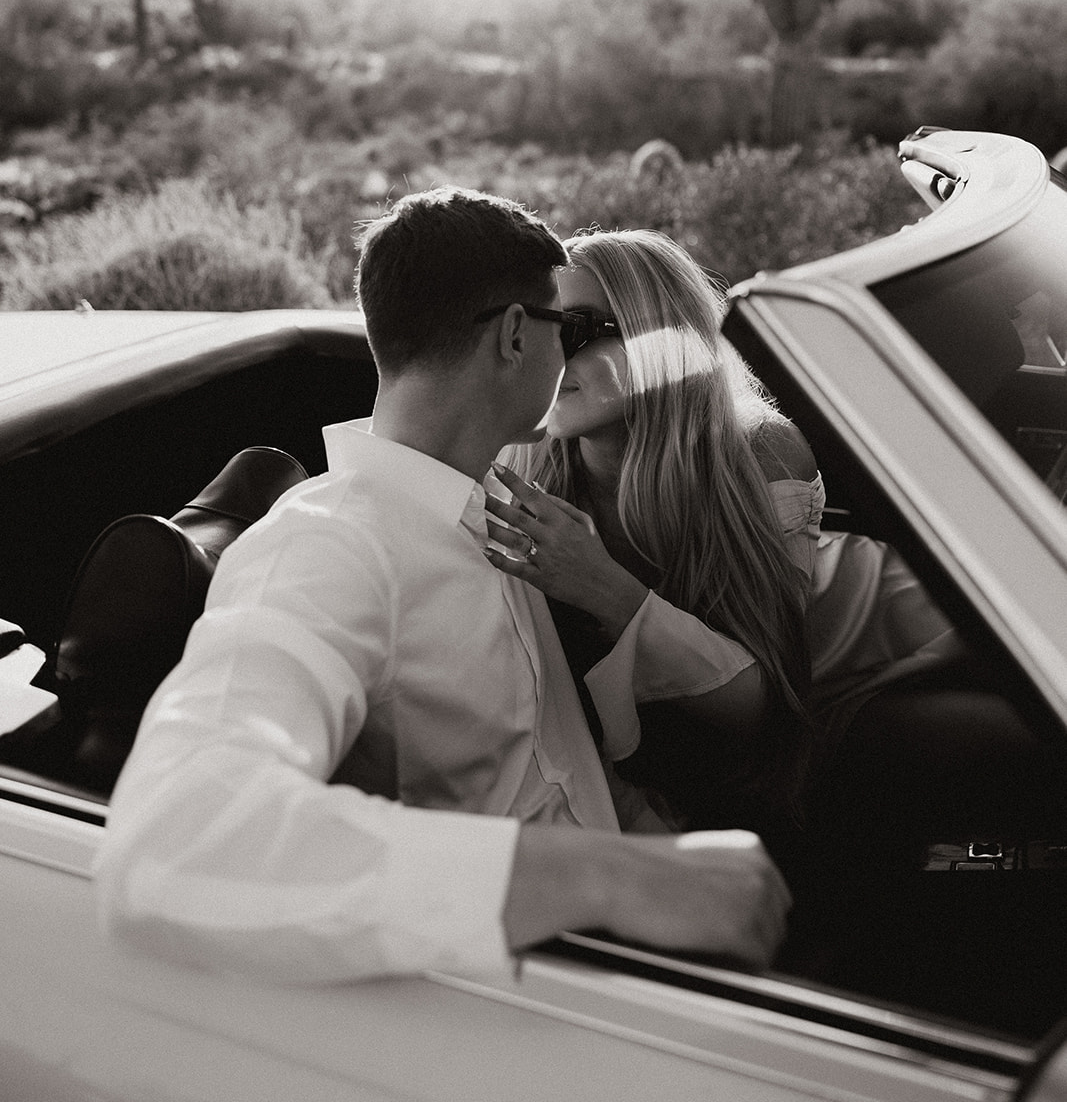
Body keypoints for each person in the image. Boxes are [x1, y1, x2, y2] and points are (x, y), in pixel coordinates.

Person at [95, 189, 791, 984]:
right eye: (565, 330)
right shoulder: (326, 545)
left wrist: (653, 849)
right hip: (530, 985)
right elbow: (179, 846)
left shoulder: (492, 501)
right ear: (515, 336)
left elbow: (555, 763)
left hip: (635, 927)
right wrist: (607, 879)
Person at [485, 228, 971, 835]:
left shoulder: (757, 452)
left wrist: (603, 587)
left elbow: (764, 709)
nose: (549, 359)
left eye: (575, 331)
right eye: (538, 331)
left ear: (658, 343)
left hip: (889, 634)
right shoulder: (527, 456)